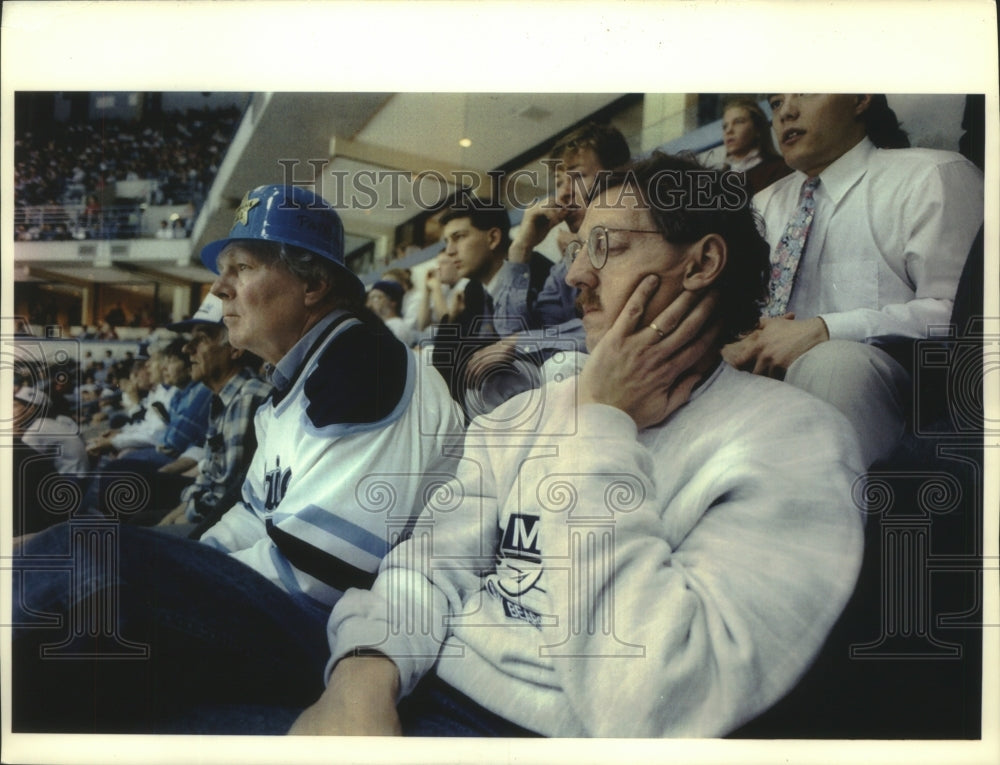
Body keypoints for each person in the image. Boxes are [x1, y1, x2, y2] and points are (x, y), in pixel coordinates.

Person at [290, 153, 866, 738]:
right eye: (575, 251)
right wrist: (361, 679)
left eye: (606, 247)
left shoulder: (795, 440)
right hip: (396, 676)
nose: (574, 278)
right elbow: (430, 564)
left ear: (703, 262)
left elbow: (655, 703)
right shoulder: (529, 409)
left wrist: (601, 423)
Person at [12, 184, 464, 734]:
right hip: (297, 609)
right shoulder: (298, 378)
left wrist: (179, 580)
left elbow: (323, 574)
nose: (220, 288)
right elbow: (248, 518)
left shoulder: (361, 366)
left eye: (242, 267)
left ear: (314, 284)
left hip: (350, 637)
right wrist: (194, 565)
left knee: (88, 558)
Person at [721, 94, 984, 466]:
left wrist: (828, 330)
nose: (786, 113)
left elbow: (969, 318)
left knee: (836, 364)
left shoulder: (933, 176)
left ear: (860, 98)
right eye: (776, 103)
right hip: (759, 386)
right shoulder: (759, 205)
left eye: (806, 92)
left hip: (898, 392)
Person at [147, 293, 273, 530]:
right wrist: (170, 520)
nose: (187, 349)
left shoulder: (247, 399)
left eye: (201, 339)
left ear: (235, 349)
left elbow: (224, 498)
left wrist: (169, 527)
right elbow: (208, 479)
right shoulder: (224, 397)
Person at [717, 97, 792, 195]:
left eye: (738, 122)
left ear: (757, 129)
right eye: (725, 126)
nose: (729, 130)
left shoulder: (780, 170)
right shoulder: (718, 179)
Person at [367, 279, 418, 347]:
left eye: (375, 298)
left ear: (393, 302)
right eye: (370, 298)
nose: (369, 304)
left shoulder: (397, 327)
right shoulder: (380, 326)